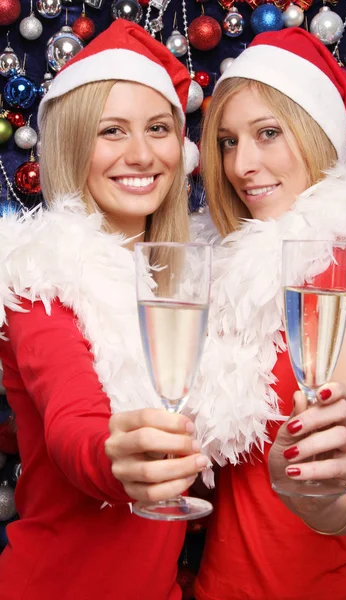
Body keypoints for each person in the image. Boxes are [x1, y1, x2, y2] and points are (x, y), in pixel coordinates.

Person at [187, 28, 346, 600]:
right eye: (228, 142)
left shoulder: (335, 264)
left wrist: (319, 494)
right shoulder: (224, 270)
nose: (241, 165)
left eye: (268, 134)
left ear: (315, 135)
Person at [0, 19, 208, 600]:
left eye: (158, 129)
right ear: (71, 144)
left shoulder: (191, 282)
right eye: (111, 130)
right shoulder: (38, 277)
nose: (141, 154)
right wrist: (114, 457)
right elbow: (74, 424)